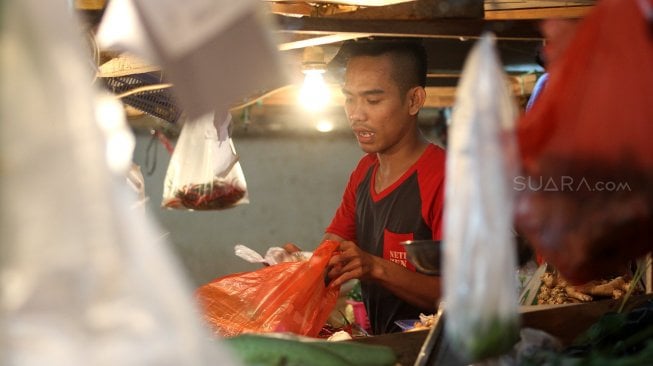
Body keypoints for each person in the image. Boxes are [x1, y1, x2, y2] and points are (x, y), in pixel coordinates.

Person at [318, 39, 446, 334]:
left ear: (414, 100)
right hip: (387, 348)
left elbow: (463, 294)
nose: (356, 114)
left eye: (372, 101)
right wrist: (301, 266)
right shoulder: (364, 172)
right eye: (349, 98)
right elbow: (333, 245)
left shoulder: (447, 178)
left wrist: (374, 268)